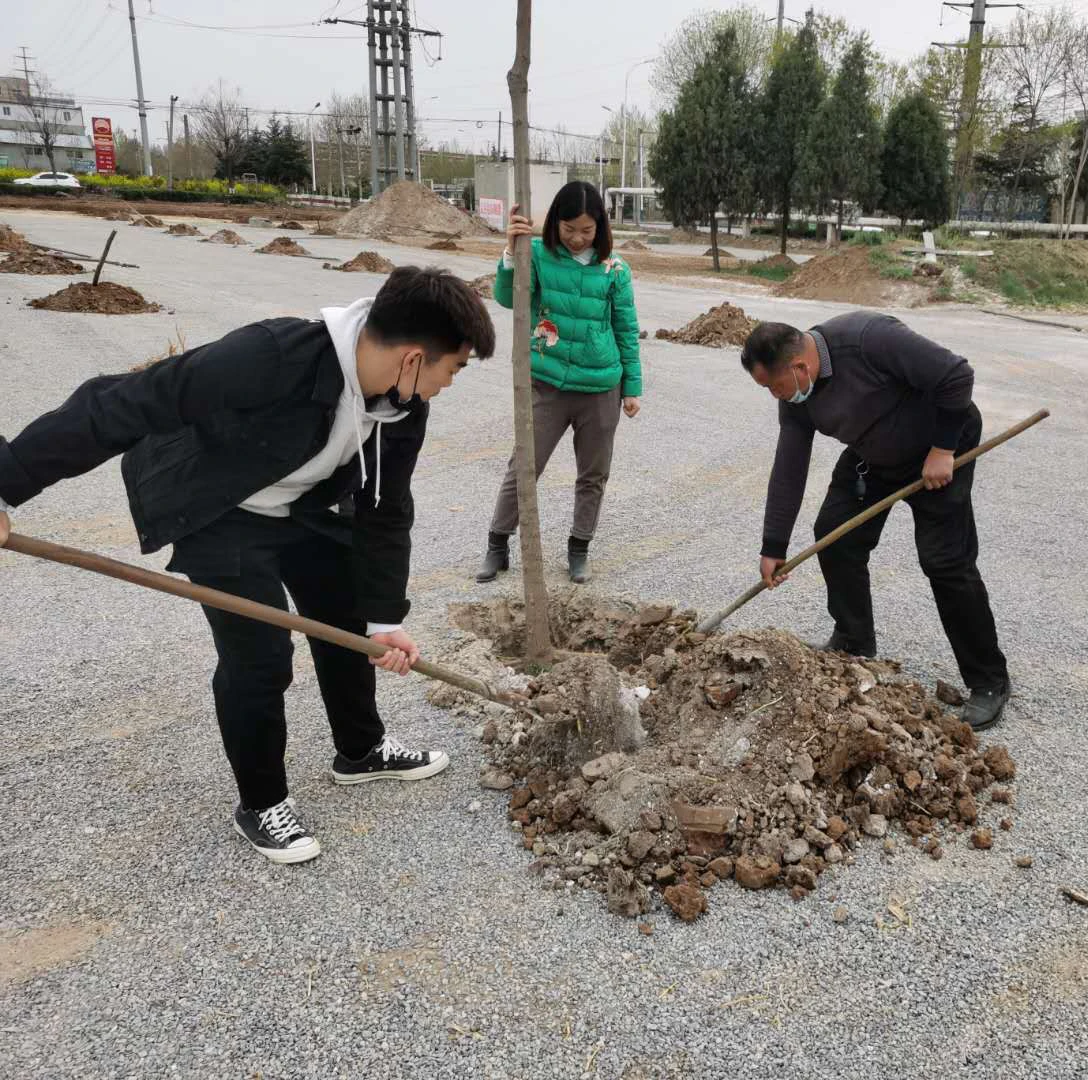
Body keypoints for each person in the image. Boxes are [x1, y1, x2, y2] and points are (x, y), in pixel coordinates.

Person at [0, 266, 496, 864]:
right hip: (219, 506)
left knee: (346, 612)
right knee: (259, 656)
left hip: (299, 505)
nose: (447, 385)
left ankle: (360, 752)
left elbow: (386, 509)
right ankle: (260, 801)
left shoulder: (402, 404)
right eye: (453, 369)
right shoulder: (271, 356)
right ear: (415, 358)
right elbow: (120, 403)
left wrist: (383, 618)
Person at [740, 314, 1012, 730]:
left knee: (945, 561)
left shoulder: (869, 340)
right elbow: (790, 465)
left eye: (773, 386)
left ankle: (988, 680)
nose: (774, 395)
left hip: (936, 452)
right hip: (874, 456)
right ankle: (853, 641)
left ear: (799, 367)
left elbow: (956, 375)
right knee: (834, 536)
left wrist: (942, 449)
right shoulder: (796, 398)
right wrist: (773, 545)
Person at [477, 180, 641, 586]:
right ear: (555, 224)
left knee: (593, 474)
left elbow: (626, 328)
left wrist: (632, 387)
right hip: (547, 381)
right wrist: (509, 254)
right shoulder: (535, 254)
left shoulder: (615, 269)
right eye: (569, 229)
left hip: (601, 386)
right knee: (524, 466)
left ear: (600, 227)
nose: (577, 238)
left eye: (587, 231)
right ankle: (497, 545)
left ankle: (579, 549)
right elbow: (507, 298)